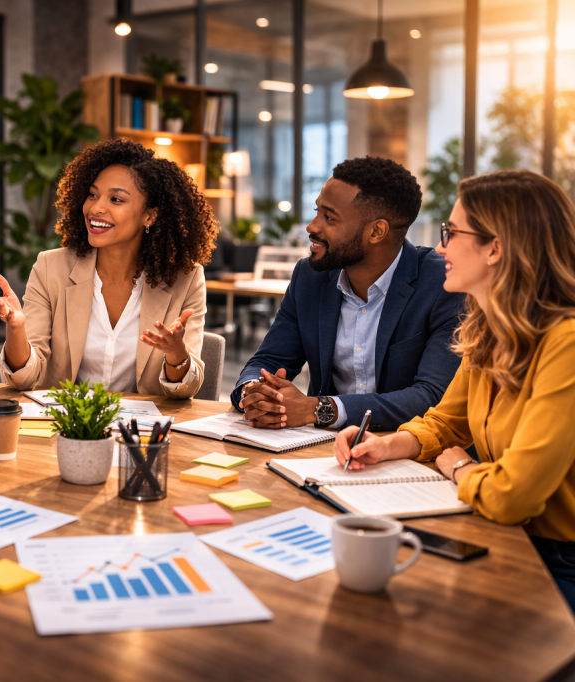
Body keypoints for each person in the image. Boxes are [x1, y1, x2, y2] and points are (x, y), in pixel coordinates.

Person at [332, 170, 575, 609]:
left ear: (495, 248)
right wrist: (386, 446)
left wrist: (460, 467)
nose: (440, 246)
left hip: (558, 558)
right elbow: (446, 420)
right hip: (500, 532)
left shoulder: (566, 345)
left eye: (451, 232)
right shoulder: (489, 330)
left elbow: (512, 496)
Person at [233, 156, 466, 431]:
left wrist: (319, 409)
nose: (312, 226)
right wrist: (255, 393)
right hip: (320, 451)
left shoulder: (444, 283)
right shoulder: (310, 277)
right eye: (316, 211)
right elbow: (268, 361)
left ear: (377, 231)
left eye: (329, 217)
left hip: (411, 453)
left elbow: (432, 396)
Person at [0, 138, 218, 398]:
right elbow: (26, 379)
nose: (95, 208)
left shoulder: (186, 278)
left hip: (140, 431)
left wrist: (176, 353)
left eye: (116, 199)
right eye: (93, 194)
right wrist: (16, 329)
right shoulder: (51, 268)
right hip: (64, 425)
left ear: (149, 216)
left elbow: (183, 391)